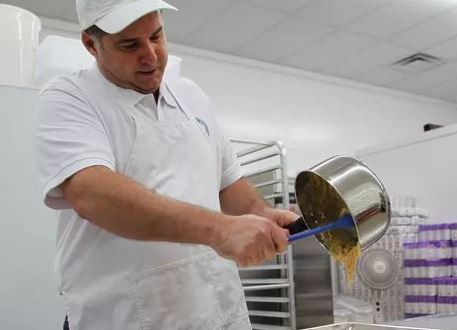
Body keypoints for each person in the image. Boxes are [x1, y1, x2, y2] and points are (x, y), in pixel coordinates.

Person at [33, 0, 297, 329]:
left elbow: (228, 181)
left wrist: (261, 213)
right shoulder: (69, 97)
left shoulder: (191, 96)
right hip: (122, 316)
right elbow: (92, 194)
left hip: (217, 310)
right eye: (130, 45)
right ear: (91, 43)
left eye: (156, 36)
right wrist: (220, 230)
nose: (151, 55)